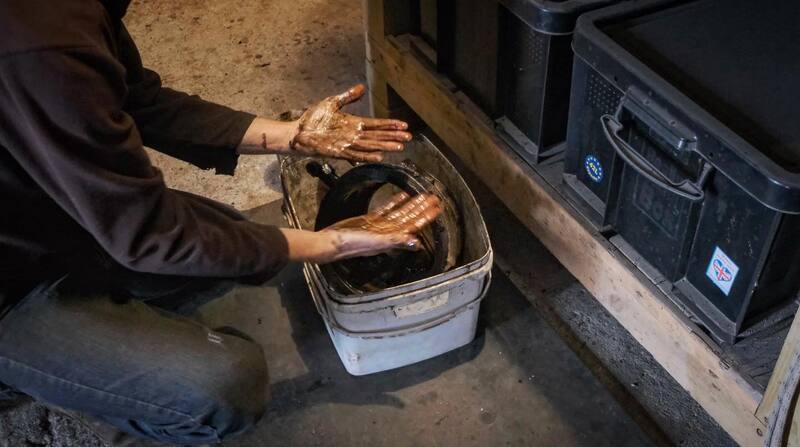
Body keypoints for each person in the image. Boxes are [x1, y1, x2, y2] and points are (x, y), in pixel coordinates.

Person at [0, 0, 442, 444]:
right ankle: (66, 389)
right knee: (226, 386)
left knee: (230, 241)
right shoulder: (39, 42)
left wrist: (292, 135)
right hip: (11, 287)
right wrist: (333, 244)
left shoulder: (72, 14)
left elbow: (138, 100)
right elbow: (153, 236)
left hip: (52, 210)